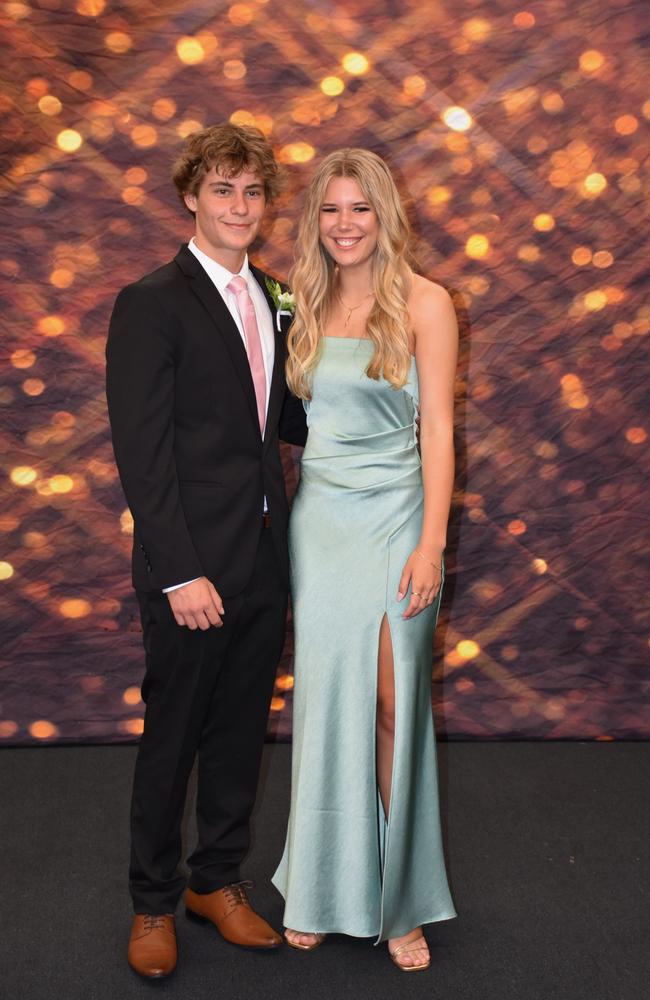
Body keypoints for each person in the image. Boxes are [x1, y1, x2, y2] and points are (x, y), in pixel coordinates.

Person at [106, 123, 307, 979]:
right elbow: (141, 452)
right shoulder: (151, 301)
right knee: (174, 737)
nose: (239, 206)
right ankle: (153, 900)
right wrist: (180, 568)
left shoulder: (278, 293)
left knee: (238, 733)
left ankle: (215, 882)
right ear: (191, 196)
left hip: (267, 554)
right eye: (223, 189)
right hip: (190, 564)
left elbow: (291, 424)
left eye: (253, 192)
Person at [272, 148, 458, 971]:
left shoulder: (425, 302)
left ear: (386, 216)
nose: (346, 225)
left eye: (362, 210)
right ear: (316, 220)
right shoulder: (300, 304)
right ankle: (315, 886)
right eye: (331, 210)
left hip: (397, 521)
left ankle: (400, 899)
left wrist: (433, 543)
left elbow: (442, 432)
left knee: (391, 703)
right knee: (323, 701)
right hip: (322, 525)